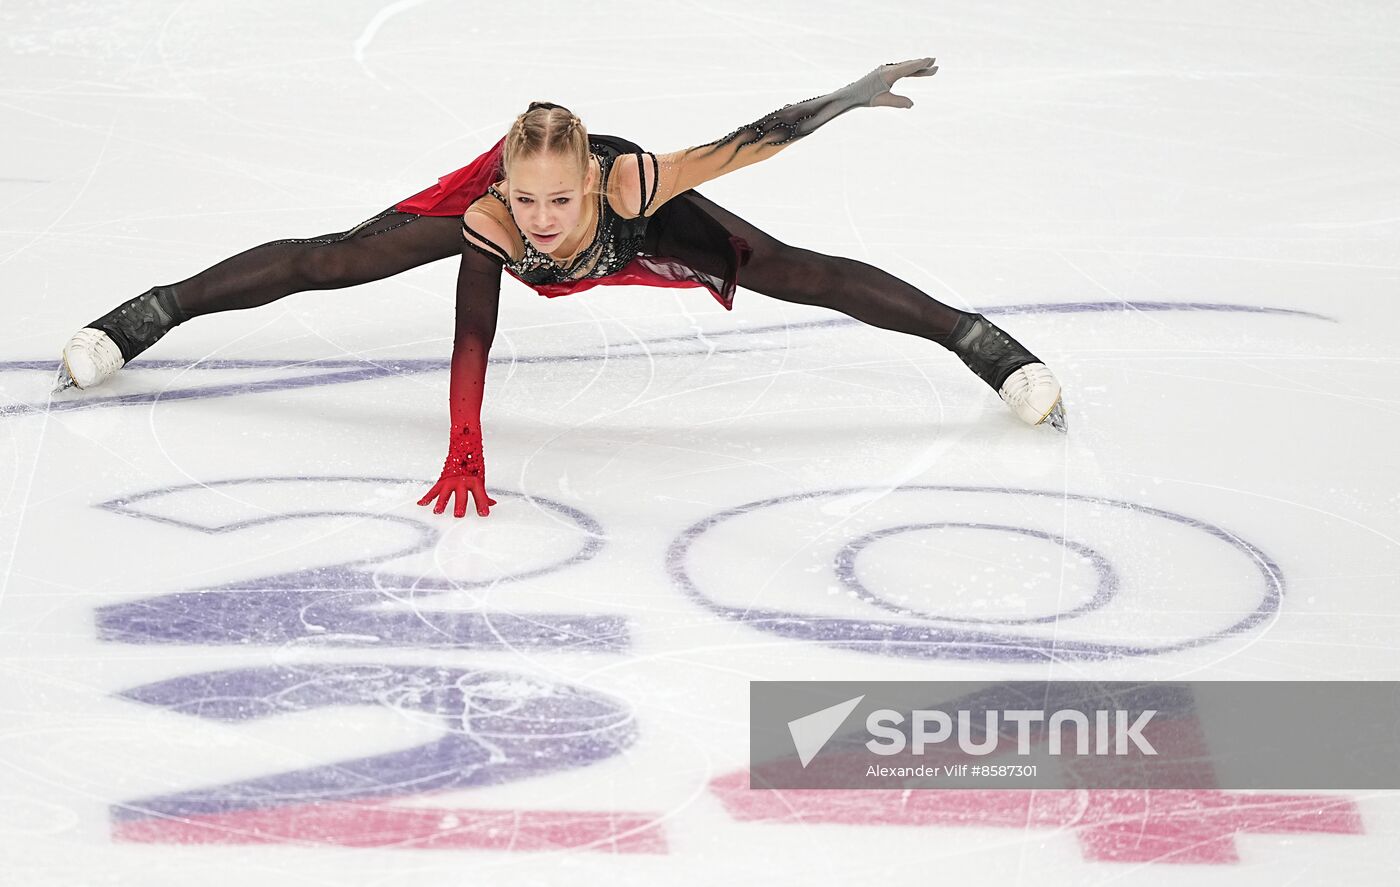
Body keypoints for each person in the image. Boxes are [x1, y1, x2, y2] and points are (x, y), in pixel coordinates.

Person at [57, 58, 1065, 520]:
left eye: (554, 198)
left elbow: (758, 137)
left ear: (587, 182)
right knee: (331, 258)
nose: (538, 216)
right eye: (523, 196)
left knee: (795, 271)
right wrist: (465, 447)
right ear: (503, 183)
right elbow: (470, 336)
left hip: (635, 236)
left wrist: (847, 95)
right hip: (525, 227)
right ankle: (150, 311)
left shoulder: (631, 183)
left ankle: (978, 342)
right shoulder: (492, 218)